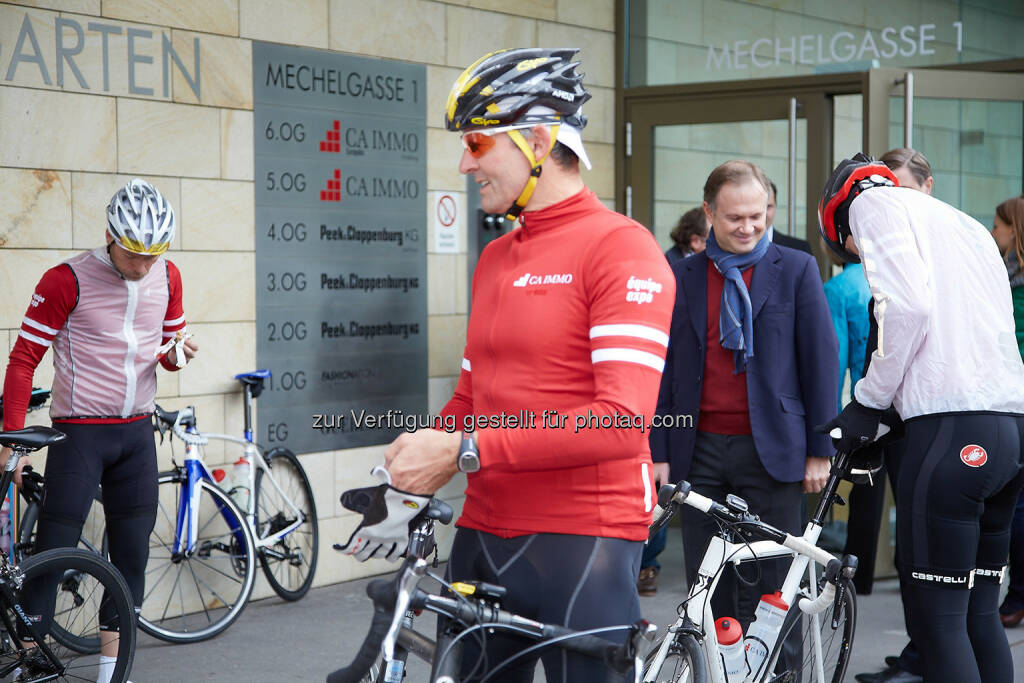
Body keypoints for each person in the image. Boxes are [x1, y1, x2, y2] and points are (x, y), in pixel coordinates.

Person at [337, 48, 674, 682]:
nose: (465, 163)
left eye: (478, 142)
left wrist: (464, 452)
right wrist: (410, 474)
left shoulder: (621, 248)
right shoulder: (497, 256)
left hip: (584, 539)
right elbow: (472, 395)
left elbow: (621, 422)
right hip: (484, 532)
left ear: (540, 141)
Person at [818, 154, 1024, 683]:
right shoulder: (965, 224)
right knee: (980, 615)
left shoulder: (872, 205)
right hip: (1010, 426)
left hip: (952, 428)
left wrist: (868, 400)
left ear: (840, 211)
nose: (860, 254)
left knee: (939, 623)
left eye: (854, 249)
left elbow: (906, 308)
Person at [1, 178, 197, 683]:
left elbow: (169, 348)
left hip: (136, 435)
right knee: (49, 557)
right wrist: (13, 442)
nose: (144, 266)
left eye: (155, 254)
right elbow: (23, 361)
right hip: (80, 436)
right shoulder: (66, 279)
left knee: (130, 560)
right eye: (135, 255)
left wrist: (176, 356)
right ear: (111, 235)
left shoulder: (169, 275)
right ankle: (29, 667)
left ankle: (114, 675)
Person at [649, 160, 837, 668]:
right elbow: (665, 370)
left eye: (758, 215)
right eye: (735, 217)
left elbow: (821, 363)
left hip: (773, 450)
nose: (749, 227)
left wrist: (821, 449)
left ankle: (780, 676)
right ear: (709, 212)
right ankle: (714, 674)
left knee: (775, 587)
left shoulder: (794, 268)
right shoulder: (682, 276)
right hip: (699, 452)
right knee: (708, 590)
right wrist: (659, 450)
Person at [850, 147, 935, 683]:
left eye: (899, 191)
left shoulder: (941, 248)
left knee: (928, 551)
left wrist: (869, 401)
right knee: (911, 549)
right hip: (897, 419)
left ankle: (927, 655)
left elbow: (911, 318)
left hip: (931, 419)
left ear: (926, 189)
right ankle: (918, 649)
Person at [639, 206, 707, 596]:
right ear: (696, 241)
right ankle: (647, 561)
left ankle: (648, 560)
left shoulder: (679, 266)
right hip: (659, 391)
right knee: (658, 479)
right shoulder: (670, 272)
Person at [990, 195, 1024, 628]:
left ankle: (1017, 598)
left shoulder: (1011, 282)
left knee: (1017, 505)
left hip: (1014, 398)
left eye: (998, 226)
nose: (993, 232)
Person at [766, 180, 813, 254]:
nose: (763, 213)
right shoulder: (741, 248)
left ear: (775, 205)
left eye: (768, 207)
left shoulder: (799, 250)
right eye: (758, 207)